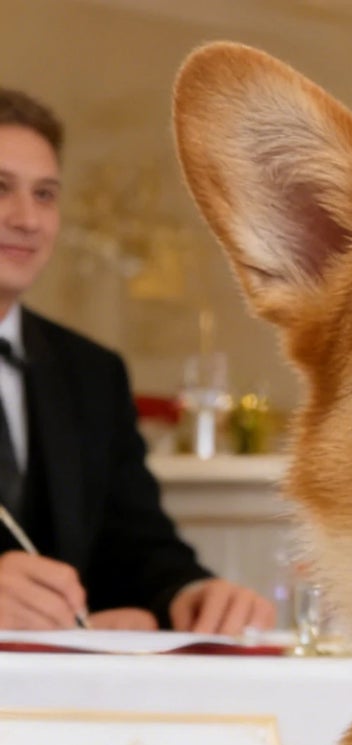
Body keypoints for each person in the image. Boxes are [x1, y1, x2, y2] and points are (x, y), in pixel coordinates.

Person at [0, 87, 272, 634]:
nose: (27, 218)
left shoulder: (92, 373)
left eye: (46, 194)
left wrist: (191, 593)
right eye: (1, 188)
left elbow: (136, 546)